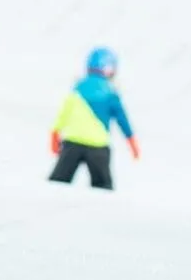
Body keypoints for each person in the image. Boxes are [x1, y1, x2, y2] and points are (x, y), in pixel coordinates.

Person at [49, 47, 138, 191]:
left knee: (58, 182)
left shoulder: (78, 87)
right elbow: (122, 119)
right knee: (103, 187)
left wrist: (54, 134)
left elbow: (64, 114)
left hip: (72, 143)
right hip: (98, 147)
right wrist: (132, 142)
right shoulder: (110, 91)